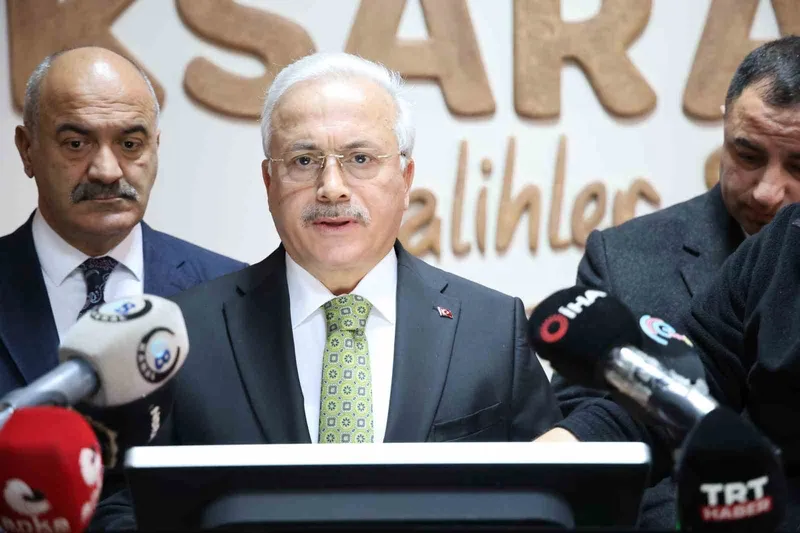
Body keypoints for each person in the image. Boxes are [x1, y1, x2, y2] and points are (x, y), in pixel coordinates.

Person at [92, 51, 562, 529]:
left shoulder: (491, 327)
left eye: (360, 159)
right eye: (304, 160)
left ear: (405, 179)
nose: (332, 188)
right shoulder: (182, 335)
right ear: (269, 181)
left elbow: (550, 498)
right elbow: (123, 506)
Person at [536, 35, 800, 529]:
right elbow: (674, 390)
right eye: (747, 155)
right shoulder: (781, 244)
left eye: (799, 166)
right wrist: (538, 468)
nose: (769, 193)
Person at [0, 47, 246, 397]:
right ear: (27, 149)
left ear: (155, 148)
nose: (107, 171)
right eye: (76, 144)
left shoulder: (230, 294)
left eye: (130, 144)